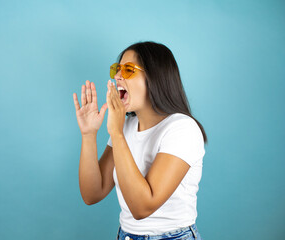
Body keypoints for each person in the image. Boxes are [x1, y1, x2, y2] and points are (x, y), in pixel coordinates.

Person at [72, 41, 207, 240]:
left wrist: (117, 134)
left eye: (128, 70)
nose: (117, 76)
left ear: (155, 77)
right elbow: (93, 193)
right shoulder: (126, 127)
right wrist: (89, 134)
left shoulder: (182, 128)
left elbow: (142, 208)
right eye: (117, 69)